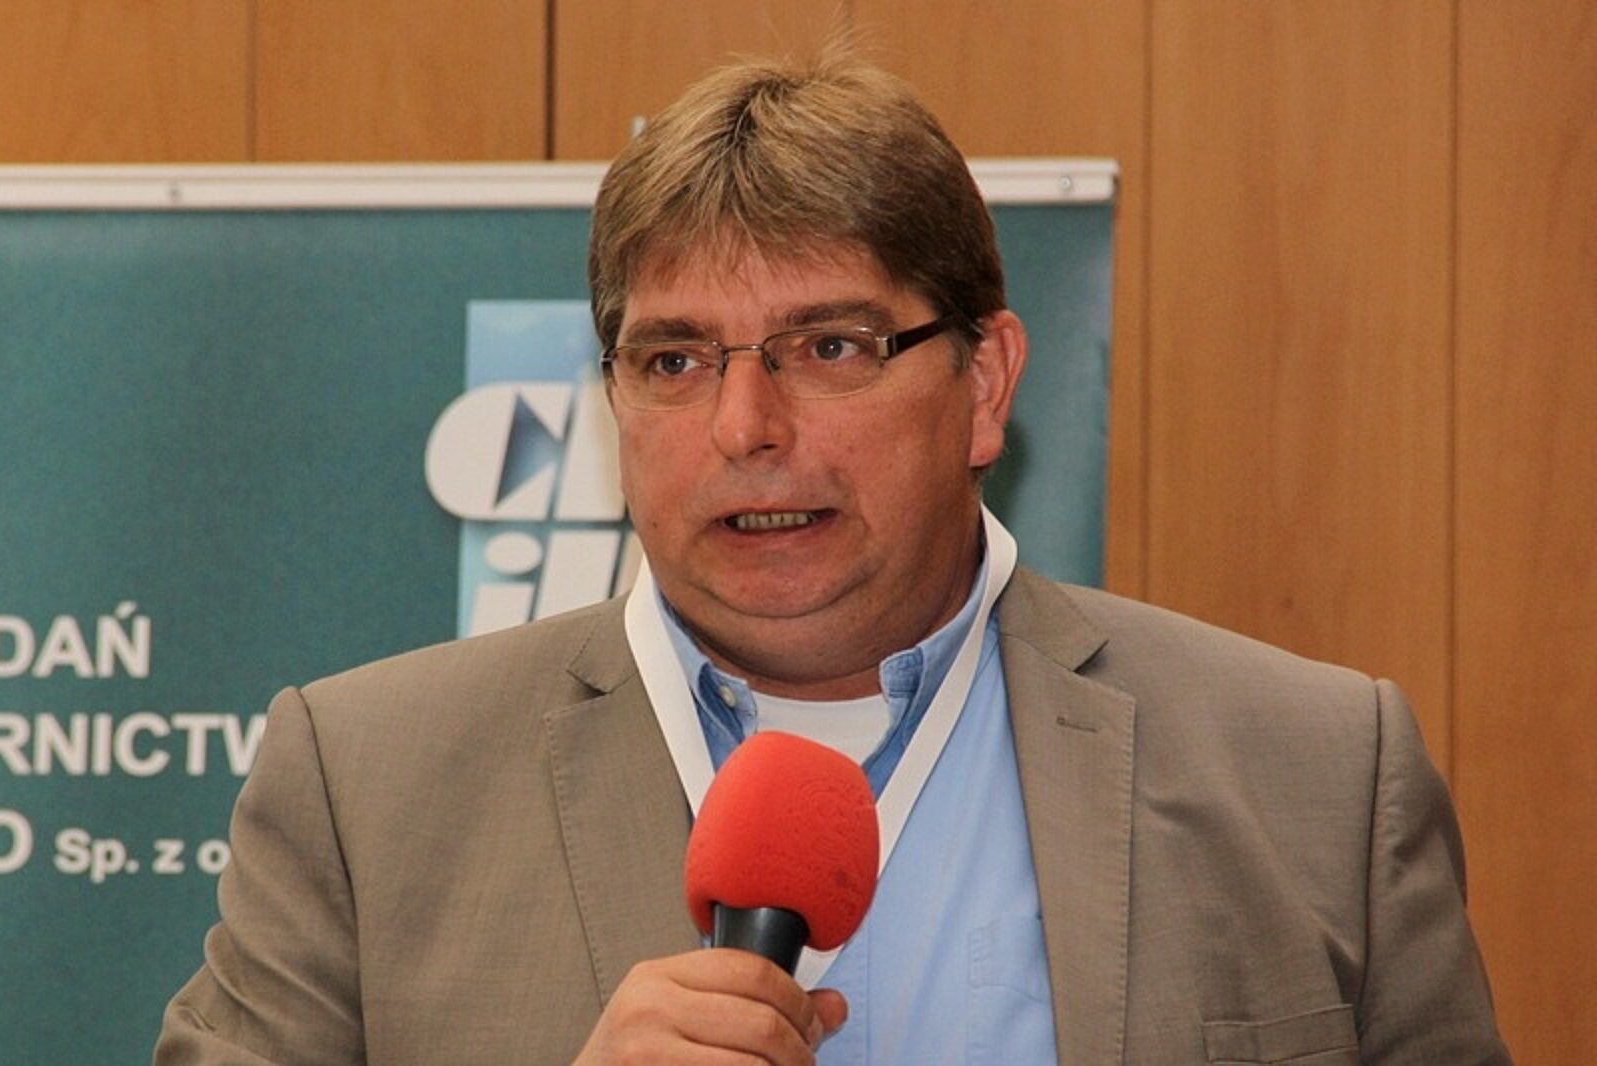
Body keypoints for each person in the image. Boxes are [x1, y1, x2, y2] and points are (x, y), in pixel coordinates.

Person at [156, 48, 1509, 1064]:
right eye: (674, 360)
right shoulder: (364, 788)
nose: (747, 427)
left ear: (985, 383)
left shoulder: (1319, 777)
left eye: (831, 347)